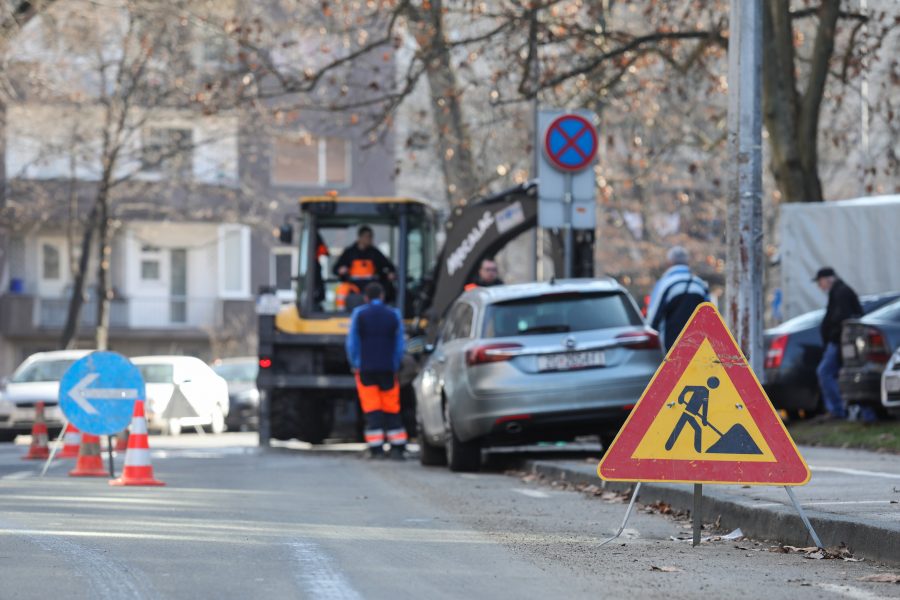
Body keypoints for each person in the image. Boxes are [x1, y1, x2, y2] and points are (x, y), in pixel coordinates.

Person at [345, 282, 407, 459]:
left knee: (372, 409)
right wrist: (395, 364)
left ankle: (376, 449)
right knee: (391, 407)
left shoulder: (359, 314)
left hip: (366, 369)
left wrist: (356, 363)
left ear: (366, 297)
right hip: (388, 368)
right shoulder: (394, 315)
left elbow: (352, 343)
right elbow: (399, 344)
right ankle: (397, 448)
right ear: (382, 296)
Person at [814, 267, 867, 421]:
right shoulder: (838, 292)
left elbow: (841, 318)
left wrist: (834, 336)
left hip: (839, 342)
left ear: (828, 279)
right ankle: (844, 410)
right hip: (840, 342)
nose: (820, 286)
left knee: (824, 372)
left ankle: (837, 410)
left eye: (820, 282)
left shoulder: (841, 292)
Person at [646, 246, 710, 351]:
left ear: (669, 263)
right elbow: (710, 316)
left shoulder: (664, 284)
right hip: (698, 346)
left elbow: (652, 318)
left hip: (672, 346)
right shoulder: (699, 284)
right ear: (687, 262)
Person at [334, 226, 396, 302]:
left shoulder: (375, 253)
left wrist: (390, 273)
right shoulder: (349, 252)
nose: (370, 239)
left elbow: (388, 266)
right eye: (367, 236)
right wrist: (340, 270)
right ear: (360, 237)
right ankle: (342, 312)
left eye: (371, 237)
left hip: (372, 285)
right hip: (353, 285)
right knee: (342, 290)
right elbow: (335, 269)